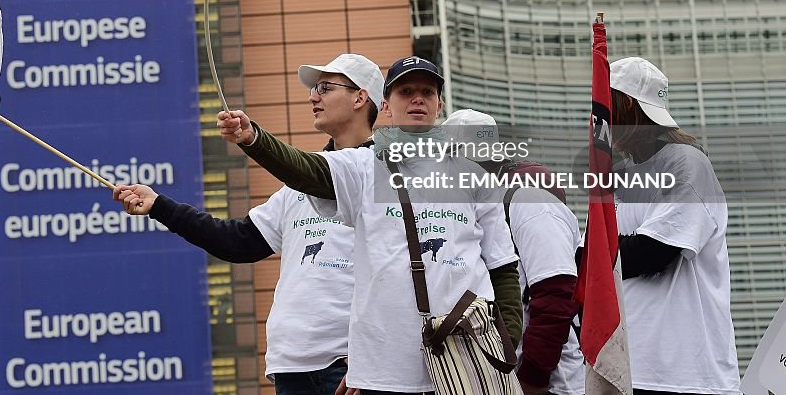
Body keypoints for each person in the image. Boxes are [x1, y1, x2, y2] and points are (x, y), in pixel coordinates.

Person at [219, 56, 522, 395]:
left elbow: (502, 266)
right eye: (406, 91)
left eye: (427, 91)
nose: (417, 99)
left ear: (439, 104)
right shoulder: (363, 165)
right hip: (386, 371)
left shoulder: (473, 174)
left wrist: (505, 341)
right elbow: (306, 169)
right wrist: (254, 139)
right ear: (387, 105)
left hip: (466, 361)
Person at [114, 54, 383, 395]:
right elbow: (238, 241)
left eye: (325, 87)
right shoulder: (296, 189)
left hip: (348, 370)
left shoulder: (384, 174)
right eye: (314, 88)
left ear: (361, 98)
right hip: (292, 367)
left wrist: (378, 364)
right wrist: (159, 206)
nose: (313, 96)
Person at [607, 57, 738, 395]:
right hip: (626, 367)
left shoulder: (688, 163)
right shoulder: (618, 175)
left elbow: (654, 252)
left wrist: (599, 253)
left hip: (685, 375)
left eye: (607, 105)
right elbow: (588, 256)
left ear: (628, 107)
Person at [443, 109, 584, 395]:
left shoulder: (529, 200)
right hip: (493, 377)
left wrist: (532, 379)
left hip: (546, 385)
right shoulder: (476, 211)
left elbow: (557, 297)